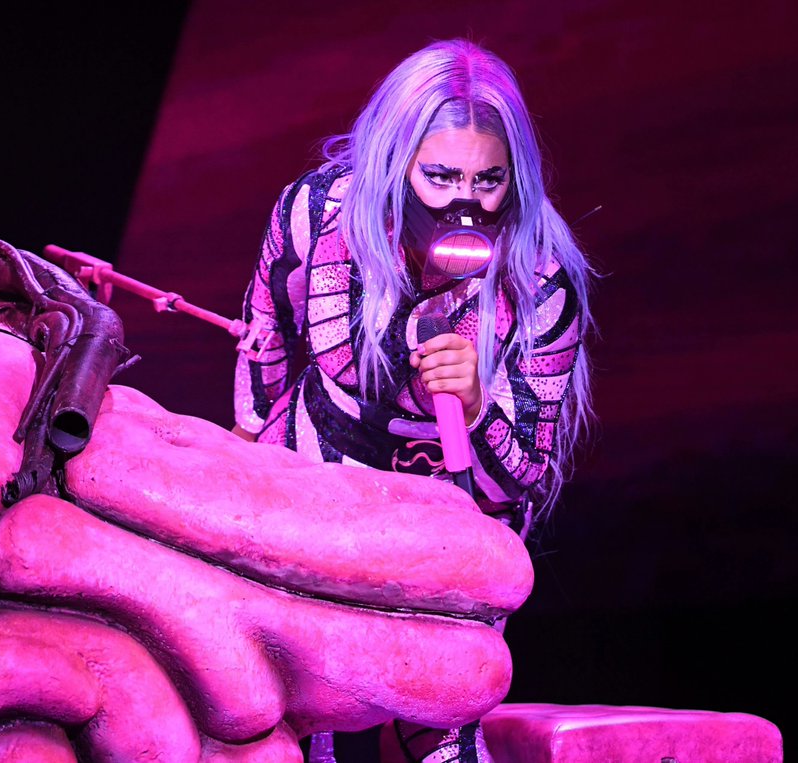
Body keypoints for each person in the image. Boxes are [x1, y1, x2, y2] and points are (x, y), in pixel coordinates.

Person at [231, 39, 593, 763]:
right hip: (317, 493)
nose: (466, 201)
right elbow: (264, 342)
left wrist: (480, 408)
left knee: (442, 712)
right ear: (395, 163)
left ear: (514, 177)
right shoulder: (318, 214)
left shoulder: (541, 278)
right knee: (297, 710)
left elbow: (523, 475)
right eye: (440, 176)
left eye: (488, 180)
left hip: (451, 523)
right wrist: (239, 487)